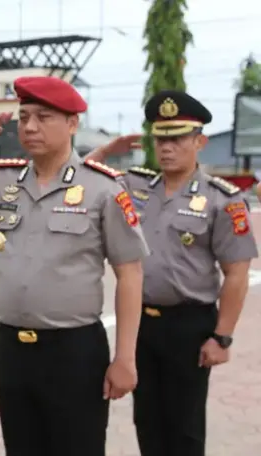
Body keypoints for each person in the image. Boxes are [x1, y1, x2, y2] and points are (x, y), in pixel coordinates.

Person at [0, 76, 150, 456]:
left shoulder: (103, 189)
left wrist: (125, 358)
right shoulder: (0, 180)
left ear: (72, 123)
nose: (29, 127)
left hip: (75, 349)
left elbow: (130, 274)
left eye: (43, 117)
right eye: (24, 117)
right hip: (12, 348)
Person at [87, 90, 259, 456]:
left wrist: (222, 337)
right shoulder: (135, 187)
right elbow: (79, 180)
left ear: (200, 142)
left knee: (183, 426)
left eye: (177, 138)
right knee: (146, 421)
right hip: (141, 325)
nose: (166, 147)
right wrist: (108, 149)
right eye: (161, 138)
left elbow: (237, 273)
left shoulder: (222, 199)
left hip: (189, 326)